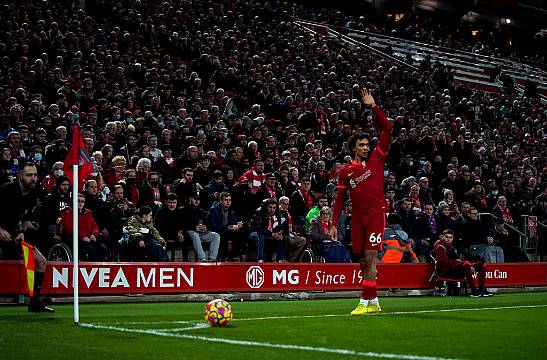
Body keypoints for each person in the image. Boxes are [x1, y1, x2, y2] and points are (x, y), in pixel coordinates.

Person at [332, 88, 392, 315]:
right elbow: (339, 200)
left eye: (368, 144)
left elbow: (387, 127)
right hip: (357, 219)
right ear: (354, 148)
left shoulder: (378, 156)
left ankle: (364, 302)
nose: (366, 148)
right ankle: (374, 301)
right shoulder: (346, 172)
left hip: (376, 215)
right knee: (362, 262)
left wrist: (374, 106)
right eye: (362, 145)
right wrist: (333, 224)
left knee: (371, 257)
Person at [0, 162, 53, 312]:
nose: (33, 178)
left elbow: (23, 216)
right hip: (1, 230)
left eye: (35, 175)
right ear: (20, 176)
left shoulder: (35, 192)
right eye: (29, 175)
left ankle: (35, 303)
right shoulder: (6, 191)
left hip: (14, 233)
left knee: (41, 261)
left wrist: (24, 226)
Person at [433, 229, 493, 297]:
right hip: (445, 272)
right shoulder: (440, 247)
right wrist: (461, 263)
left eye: (450, 237)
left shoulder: (452, 248)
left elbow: (457, 261)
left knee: (481, 264)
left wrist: (465, 264)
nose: (448, 239)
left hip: (455, 269)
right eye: (446, 237)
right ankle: (474, 291)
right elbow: (445, 262)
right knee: (466, 265)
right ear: (442, 237)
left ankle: (482, 290)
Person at [61, 194, 107, 261]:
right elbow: (69, 229)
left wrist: (93, 234)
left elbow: (95, 226)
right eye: (78, 201)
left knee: (103, 249)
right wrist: (82, 236)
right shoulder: (68, 213)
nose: (80, 203)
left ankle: (99, 269)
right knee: (91, 250)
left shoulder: (88, 213)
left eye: (82, 201)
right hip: (75, 239)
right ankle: (90, 269)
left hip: (88, 239)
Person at [181, 191, 220, 262]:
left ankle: (212, 259)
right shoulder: (183, 210)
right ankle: (202, 258)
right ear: (190, 198)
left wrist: (206, 228)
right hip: (188, 233)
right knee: (195, 234)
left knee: (216, 236)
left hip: (201, 233)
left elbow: (207, 224)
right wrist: (193, 227)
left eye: (198, 199)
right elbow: (181, 224)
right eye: (195, 198)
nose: (197, 201)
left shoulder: (201, 211)